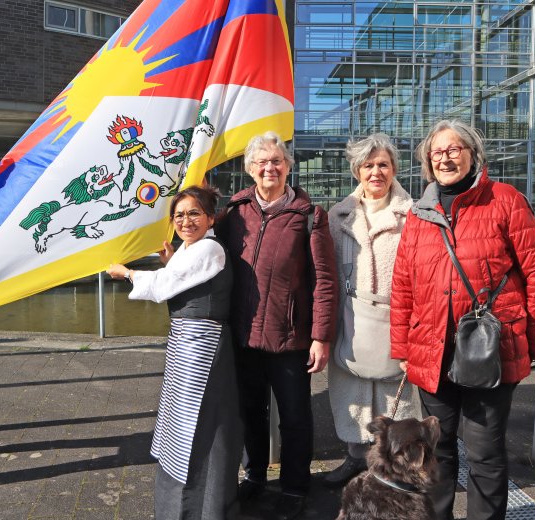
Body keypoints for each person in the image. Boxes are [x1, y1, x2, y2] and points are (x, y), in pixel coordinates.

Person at [390, 119, 535, 520]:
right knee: (436, 450)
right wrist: (402, 348)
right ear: (428, 163)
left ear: (472, 154)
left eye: (454, 149)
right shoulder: (419, 213)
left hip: (491, 348)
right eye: (437, 152)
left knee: (484, 452)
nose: (446, 157)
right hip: (432, 351)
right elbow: (404, 287)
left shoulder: (503, 199)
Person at [216, 132, 338, 520]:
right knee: (250, 411)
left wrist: (321, 336)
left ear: (288, 166)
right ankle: (254, 476)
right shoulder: (234, 213)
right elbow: (205, 254)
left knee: (296, 417)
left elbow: (325, 281)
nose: (270, 167)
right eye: (262, 162)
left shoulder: (309, 216)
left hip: (290, 339)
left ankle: (294, 486)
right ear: (250, 169)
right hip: (245, 335)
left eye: (277, 161)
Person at [106, 185, 241, 520]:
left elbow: (165, 285)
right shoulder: (193, 249)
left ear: (210, 218)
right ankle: (184, 507)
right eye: (179, 215)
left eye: (194, 213)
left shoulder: (209, 248)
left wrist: (126, 273)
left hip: (202, 345)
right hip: (187, 344)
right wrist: (171, 259)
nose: (185, 220)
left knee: (196, 426)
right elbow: (177, 275)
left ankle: (198, 509)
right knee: (181, 423)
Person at [324, 133, 422, 488]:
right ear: (357, 171)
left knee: (394, 395)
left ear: (394, 168)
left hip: (396, 316)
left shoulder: (413, 215)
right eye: (368, 165)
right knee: (351, 389)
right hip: (350, 316)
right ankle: (354, 459)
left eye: (383, 164)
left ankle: (396, 465)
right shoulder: (338, 216)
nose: (376, 172)